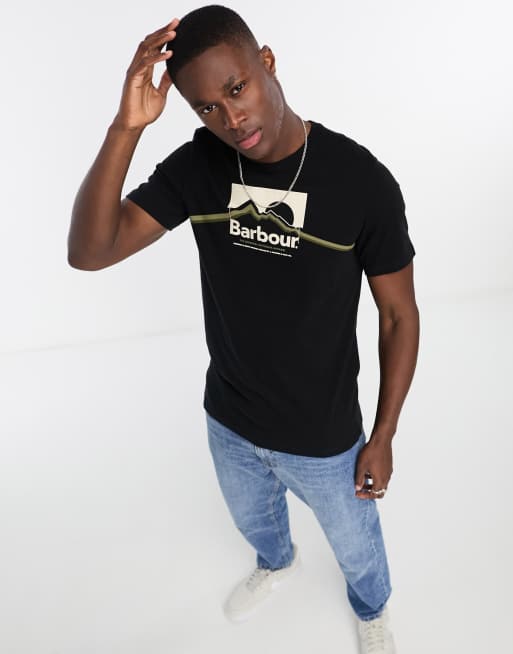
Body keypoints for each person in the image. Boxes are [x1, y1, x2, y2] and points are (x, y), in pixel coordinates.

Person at [68, 5, 419, 653]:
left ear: (267, 63)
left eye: (237, 89)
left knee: (356, 546)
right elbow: (90, 252)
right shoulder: (199, 166)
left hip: (323, 438)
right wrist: (126, 126)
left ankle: (371, 608)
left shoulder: (360, 181)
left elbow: (398, 314)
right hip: (229, 420)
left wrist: (384, 433)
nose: (230, 119)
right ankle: (276, 562)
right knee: (255, 523)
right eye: (206, 107)